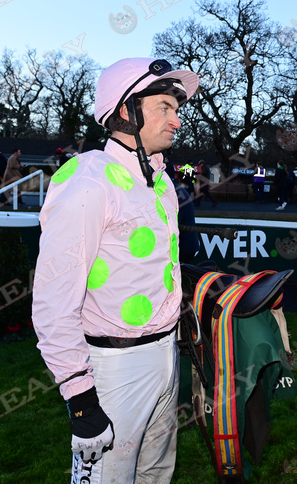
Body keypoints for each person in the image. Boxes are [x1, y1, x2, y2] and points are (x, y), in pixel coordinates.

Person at [32, 57, 199, 483]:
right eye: (165, 107)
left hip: (167, 358)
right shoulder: (88, 180)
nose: (176, 121)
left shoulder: (162, 183)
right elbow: (53, 302)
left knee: (155, 475)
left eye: (176, 110)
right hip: (113, 369)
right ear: (126, 110)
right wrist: (80, 397)